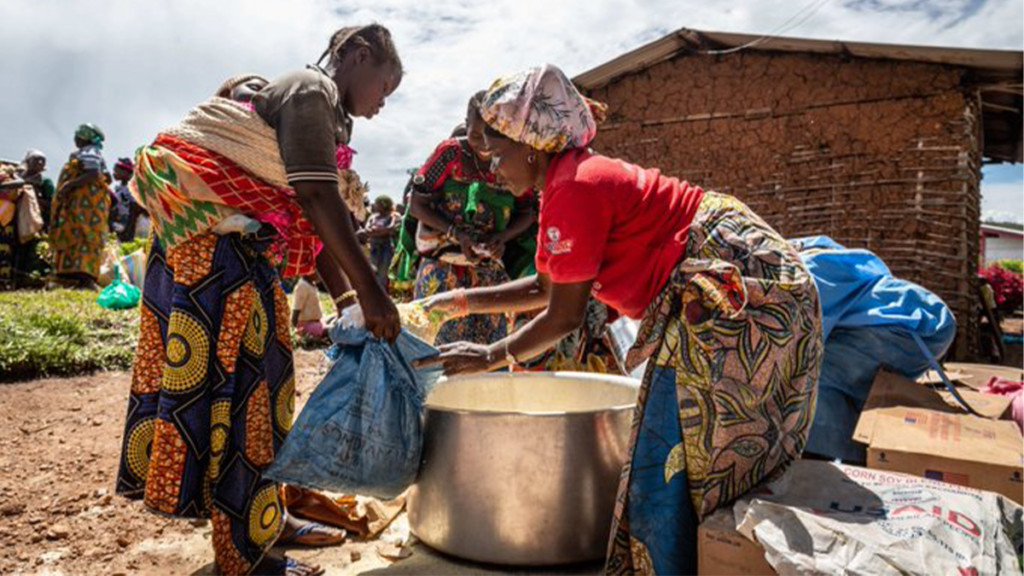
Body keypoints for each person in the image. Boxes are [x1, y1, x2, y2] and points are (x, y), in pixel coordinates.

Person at [419, 65, 823, 575]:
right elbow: (548, 285)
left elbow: (563, 314)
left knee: (682, 443)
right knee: (682, 442)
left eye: (498, 153)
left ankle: (699, 562)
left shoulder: (575, 185)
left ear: (531, 146)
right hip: (728, 280)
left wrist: (489, 356)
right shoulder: (563, 184)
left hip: (739, 288)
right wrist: (463, 303)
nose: (494, 170)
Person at [116, 25, 403, 576]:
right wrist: (373, 297)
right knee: (242, 398)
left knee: (269, 391)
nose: (383, 103)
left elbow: (304, 211)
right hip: (219, 259)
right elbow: (318, 198)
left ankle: (267, 515)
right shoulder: (309, 90)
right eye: (385, 86)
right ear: (360, 56)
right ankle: (246, 555)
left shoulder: (319, 111)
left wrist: (345, 297)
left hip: (241, 258)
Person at [407, 92, 535, 347]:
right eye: (476, 135)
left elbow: (529, 212)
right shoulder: (449, 155)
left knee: (490, 353)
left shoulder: (513, 158)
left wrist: (502, 237)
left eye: (491, 135)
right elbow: (416, 205)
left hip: (490, 277)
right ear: (465, 123)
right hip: (443, 269)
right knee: (437, 350)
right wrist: (457, 233)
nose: (485, 145)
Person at [51, 124, 111, 289]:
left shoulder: (89, 152)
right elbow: (107, 178)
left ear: (83, 137)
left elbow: (92, 173)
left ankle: (83, 278)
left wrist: (69, 185)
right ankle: (76, 277)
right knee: (82, 236)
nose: (75, 139)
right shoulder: (94, 152)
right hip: (87, 204)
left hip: (84, 206)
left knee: (82, 235)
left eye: (77, 136)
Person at [358, 195, 399, 289]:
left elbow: (390, 228)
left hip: (386, 246)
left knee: (384, 270)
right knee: (373, 268)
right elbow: (367, 228)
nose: (374, 205)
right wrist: (381, 231)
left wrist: (375, 231)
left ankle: (383, 291)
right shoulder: (373, 217)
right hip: (374, 246)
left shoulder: (392, 216)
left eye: (376, 203)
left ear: (383, 205)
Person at [18, 149, 54, 231]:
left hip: (34, 218)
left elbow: (52, 204)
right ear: (28, 161)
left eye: (43, 161)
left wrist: (31, 199)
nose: (40, 163)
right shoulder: (17, 177)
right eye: (36, 159)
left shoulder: (45, 182)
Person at [110, 157, 145, 242]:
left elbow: (134, 209)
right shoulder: (118, 189)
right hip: (117, 223)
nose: (114, 173)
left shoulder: (131, 189)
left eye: (117, 171)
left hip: (125, 226)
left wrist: (128, 230)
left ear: (126, 173)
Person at [291, 275, 327, 339]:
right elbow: (296, 309)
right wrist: (295, 330)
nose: (318, 275)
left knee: (335, 319)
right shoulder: (302, 286)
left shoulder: (311, 285)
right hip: (306, 325)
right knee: (332, 330)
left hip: (317, 323)